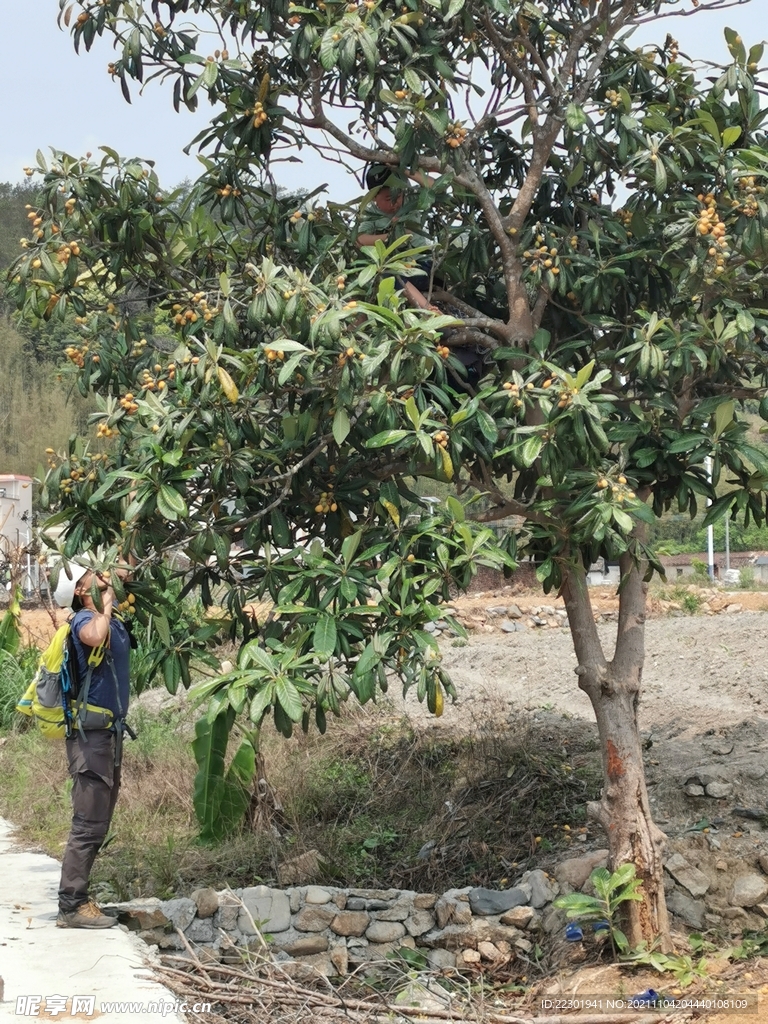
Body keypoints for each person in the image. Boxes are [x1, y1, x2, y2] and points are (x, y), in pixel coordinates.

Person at [356, 164, 485, 390]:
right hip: (395, 271)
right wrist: (392, 235)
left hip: (422, 267)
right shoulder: (372, 215)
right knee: (385, 275)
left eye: (397, 195)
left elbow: (437, 188)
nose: (394, 202)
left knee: (389, 273)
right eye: (387, 198)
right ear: (373, 198)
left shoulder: (411, 205)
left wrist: (404, 168)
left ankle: (429, 314)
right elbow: (359, 240)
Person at [53, 562, 132, 929]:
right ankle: (71, 905)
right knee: (87, 823)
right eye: (94, 577)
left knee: (98, 821)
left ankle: (78, 898)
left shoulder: (105, 614)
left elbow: (125, 568)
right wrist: (107, 599)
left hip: (107, 736)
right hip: (91, 740)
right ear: (82, 591)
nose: (104, 579)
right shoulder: (85, 619)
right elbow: (95, 637)